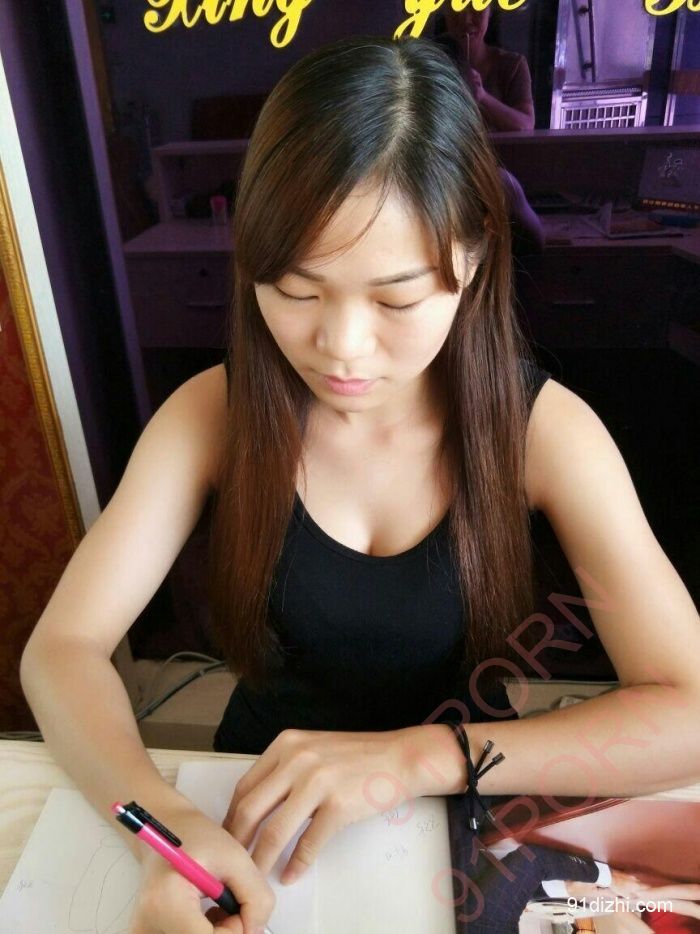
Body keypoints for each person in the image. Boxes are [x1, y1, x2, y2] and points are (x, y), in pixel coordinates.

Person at [19, 35, 700, 934]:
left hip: (462, 816)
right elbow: (62, 650)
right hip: (254, 813)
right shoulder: (213, 415)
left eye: (395, 299)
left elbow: (689, 709)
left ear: (472, 261)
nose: (340, 347)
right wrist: (168, 828)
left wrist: (421, 757)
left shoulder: (543, 434)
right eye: (297, 291)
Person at [438, 7, 535, 131]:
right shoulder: (431, 62)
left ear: (490, 12)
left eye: (477, 7)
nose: (466, 19)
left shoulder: (513, 64)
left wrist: (482, 97)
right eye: (456, 7)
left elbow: (526, 125)